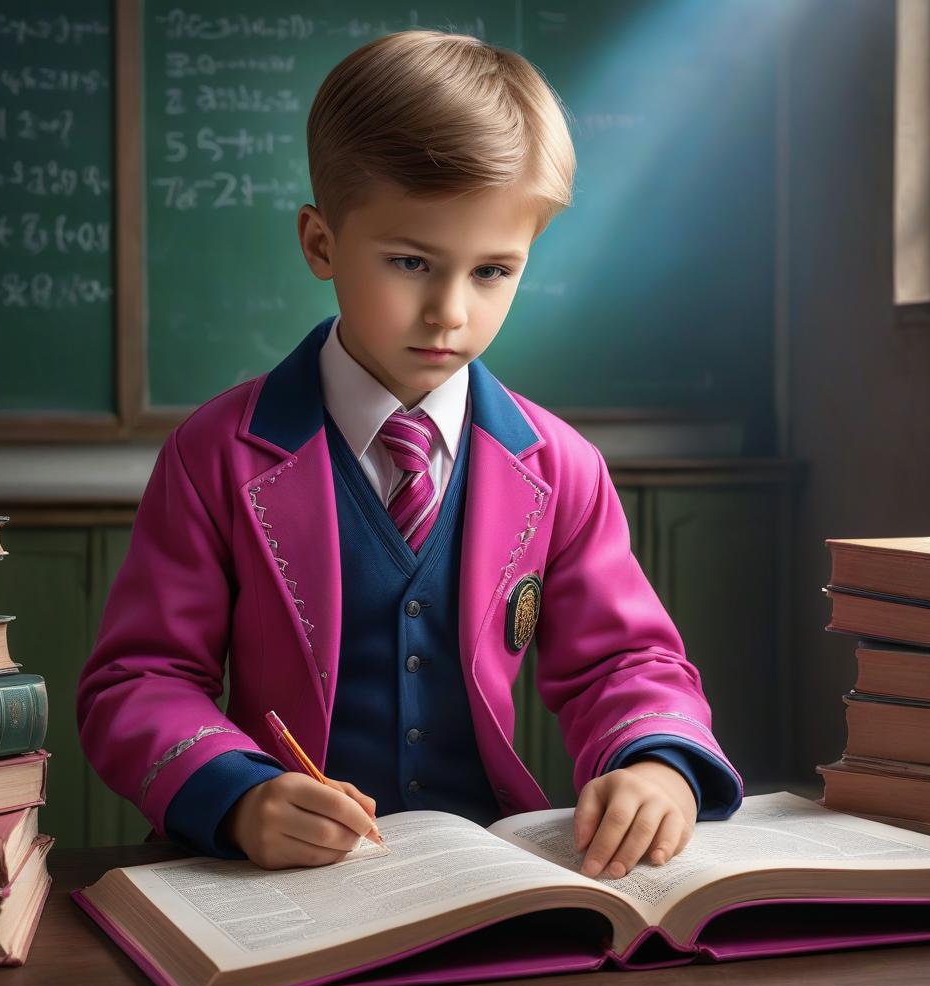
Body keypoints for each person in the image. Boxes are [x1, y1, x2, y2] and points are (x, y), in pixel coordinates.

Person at [77, 29, 742, 881]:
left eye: (494, 271)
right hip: (276, 879)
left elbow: (626, 660)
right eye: (410, 262)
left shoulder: (562, 467)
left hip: (494, 879)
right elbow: (139, 678)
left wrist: (657, 764)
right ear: (320, 244)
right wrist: (238, 797)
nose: (449, 312)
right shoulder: (215, 456)